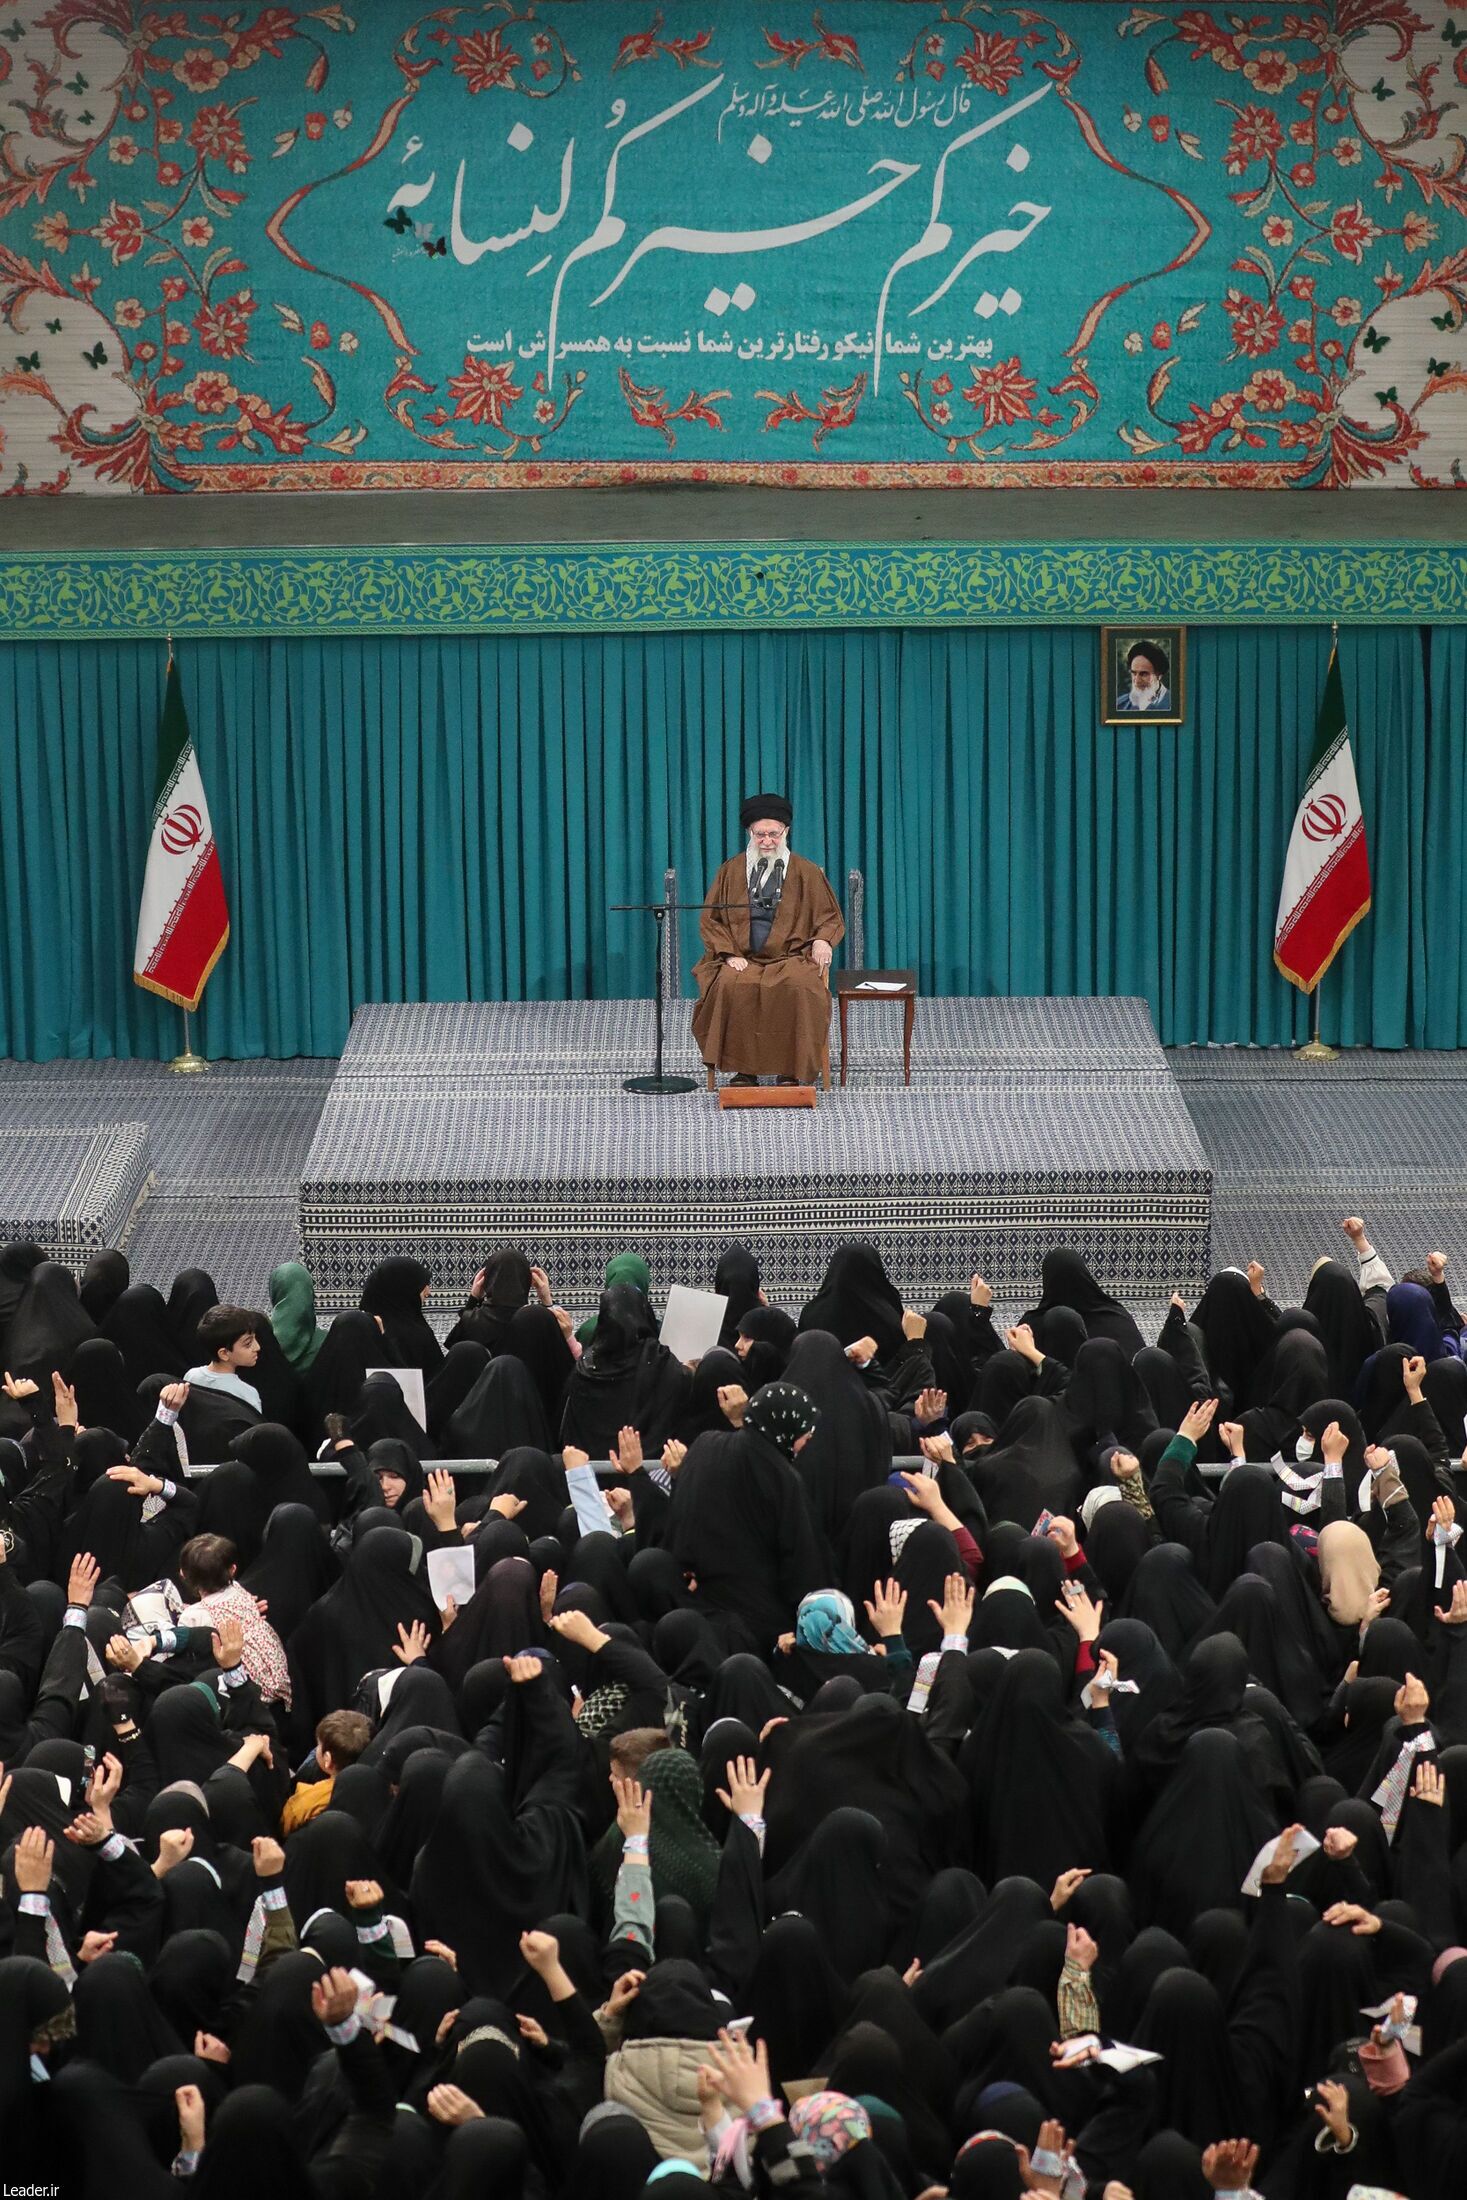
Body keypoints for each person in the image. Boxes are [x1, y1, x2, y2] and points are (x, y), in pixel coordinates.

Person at [691, 793, 844, 1088]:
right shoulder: (731, 870)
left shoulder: (806, 871)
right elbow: (711, 919)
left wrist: (823, 941)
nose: (767, 841)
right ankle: (743, 1070)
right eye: (760, 834)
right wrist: (728, 954)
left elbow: (830, 917)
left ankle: (791, 1068)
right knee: (730, 986)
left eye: (774, 834)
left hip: (791, 958)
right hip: (742, 957)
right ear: (750, 833)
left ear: (786, 832)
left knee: (800, 986)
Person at [1114, 637, 1172, 714]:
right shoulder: (1119, 705)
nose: (1137, 681)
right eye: (1134, 673)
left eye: (1144, 674)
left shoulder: (1175, 705)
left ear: (1159, 675)